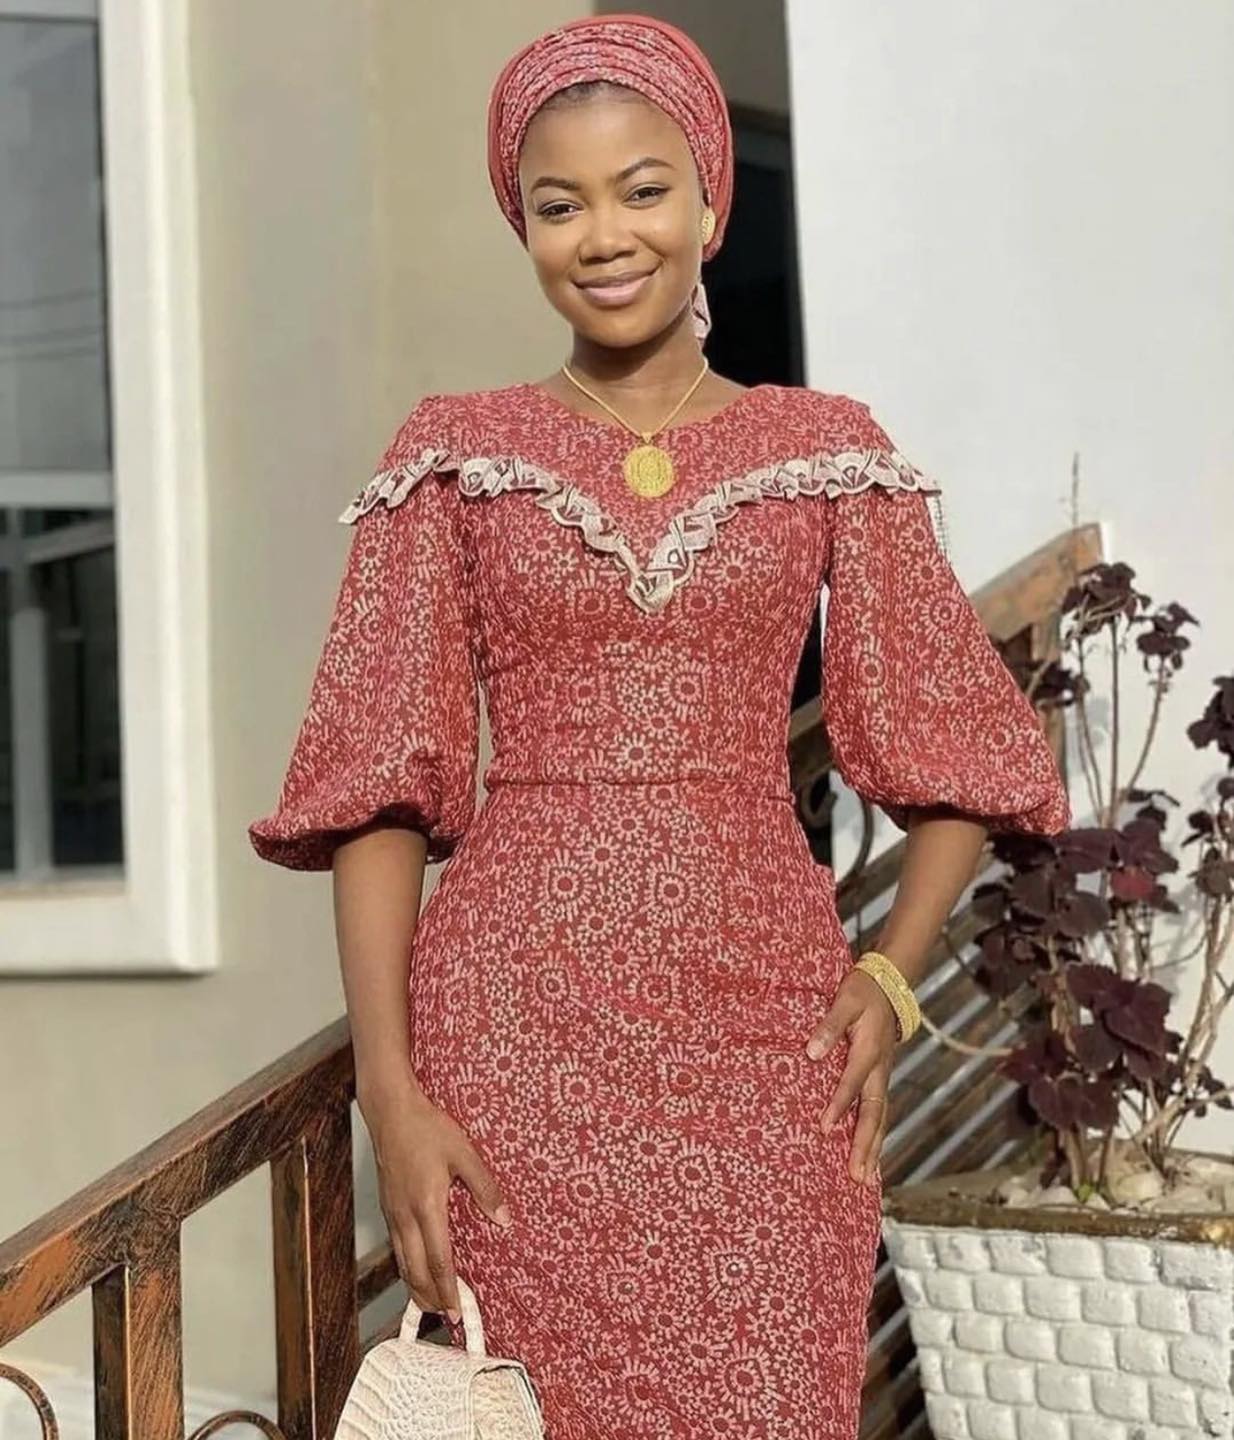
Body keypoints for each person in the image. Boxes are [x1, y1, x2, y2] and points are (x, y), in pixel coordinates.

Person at [248, 12, 1071, 1438]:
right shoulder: (452, 456)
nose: (603, 235)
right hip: (517, 1035)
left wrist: (889, 977)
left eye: (641, 189)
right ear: (522, 227)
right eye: (557, 205)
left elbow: (959, 754)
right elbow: (378, 789)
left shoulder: (826, 451)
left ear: (708, 203)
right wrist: (392, 1091)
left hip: (766, 1030)